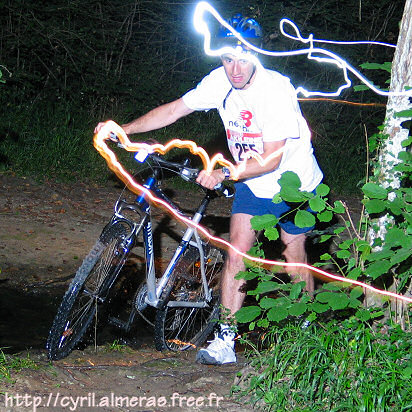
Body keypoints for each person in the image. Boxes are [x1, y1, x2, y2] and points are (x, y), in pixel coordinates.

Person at [95, 14, 323, 365]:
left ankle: (306, 333)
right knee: (237, 254)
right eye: (227, 58)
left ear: (257, 54)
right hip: (251, 182)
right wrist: (123, 129)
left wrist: (223, 174)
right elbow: (174, 110)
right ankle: (225, 341)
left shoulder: (275, 91)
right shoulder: (220, 82)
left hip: (294, 184)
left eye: (243, 58)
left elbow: (272, 158)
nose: (235, 68)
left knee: (295, 258)